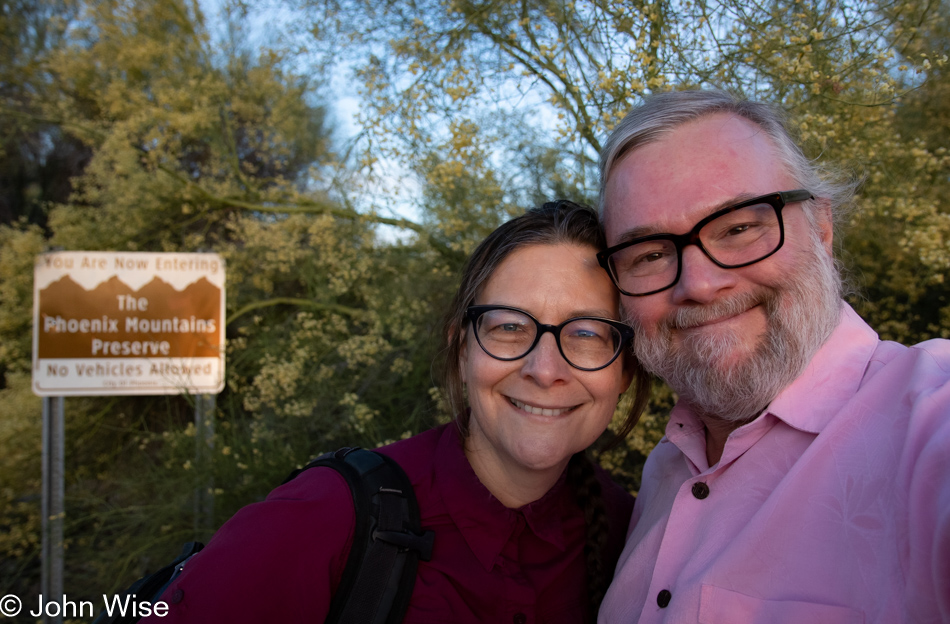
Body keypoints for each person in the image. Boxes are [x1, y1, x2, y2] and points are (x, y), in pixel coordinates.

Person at [143, 200, 651, 624]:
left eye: (586, 333)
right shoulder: (327, 518)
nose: (545, 369)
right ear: (461, 349)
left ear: (625, 368)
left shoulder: (640, 535)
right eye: (509, 327)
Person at [595, 88, 950, 624]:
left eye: (738, 228)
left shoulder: (928, 419)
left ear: (822, 230)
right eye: (648, 255)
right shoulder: (663, 473)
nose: (699, 283)